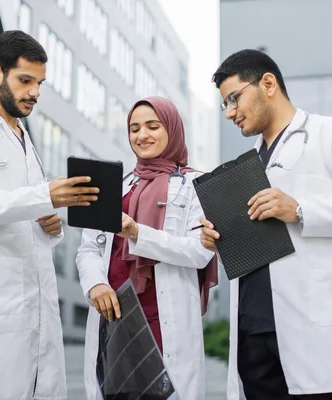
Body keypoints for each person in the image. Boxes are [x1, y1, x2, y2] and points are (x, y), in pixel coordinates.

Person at [200, 49, 332, 400]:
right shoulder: (247, 165)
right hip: (253, 334)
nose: (230, 113)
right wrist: (218, 236)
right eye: (224, 105)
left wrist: (301, 210)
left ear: (268, 84)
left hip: (313, 332)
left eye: (234, 98)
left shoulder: (330, 133)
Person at [0, 30, 99, 399]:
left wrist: (50, 224)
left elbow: (28, 210)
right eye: (25, 80)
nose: (34, 93)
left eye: (39, 83)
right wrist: (42, 196)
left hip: (38, 308)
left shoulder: (27, 139)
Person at [76, 96, 218, 400]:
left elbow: (200, 251)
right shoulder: (115, 185)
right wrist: (95, 284)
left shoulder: (196, 184)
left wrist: (138, 233)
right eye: (134, 128)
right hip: (114, 315)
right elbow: (89, 248)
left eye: (153, 126)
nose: (142, 136)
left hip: (162, 318)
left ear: (172, 130)